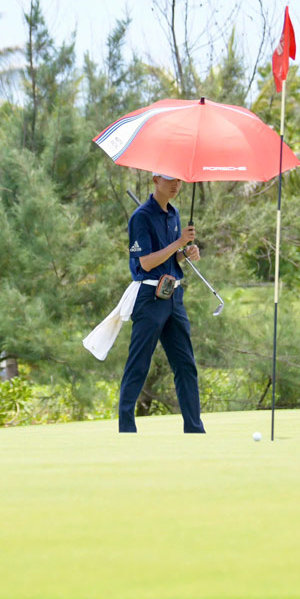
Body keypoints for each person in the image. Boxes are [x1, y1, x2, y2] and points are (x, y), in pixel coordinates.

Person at [116, 173, 205, 433]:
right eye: (169, 180)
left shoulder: (174, 214)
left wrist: (185, 253)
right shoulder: (141, 217)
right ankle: (126, 428)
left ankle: (195, 428)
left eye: (178, 180)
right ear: (156, 179)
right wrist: (179, 242)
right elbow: (145, 263)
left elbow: (169, 259)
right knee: (139, 362)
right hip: (149, 298)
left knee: (185, 364)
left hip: (174, 297)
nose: (175, 185)